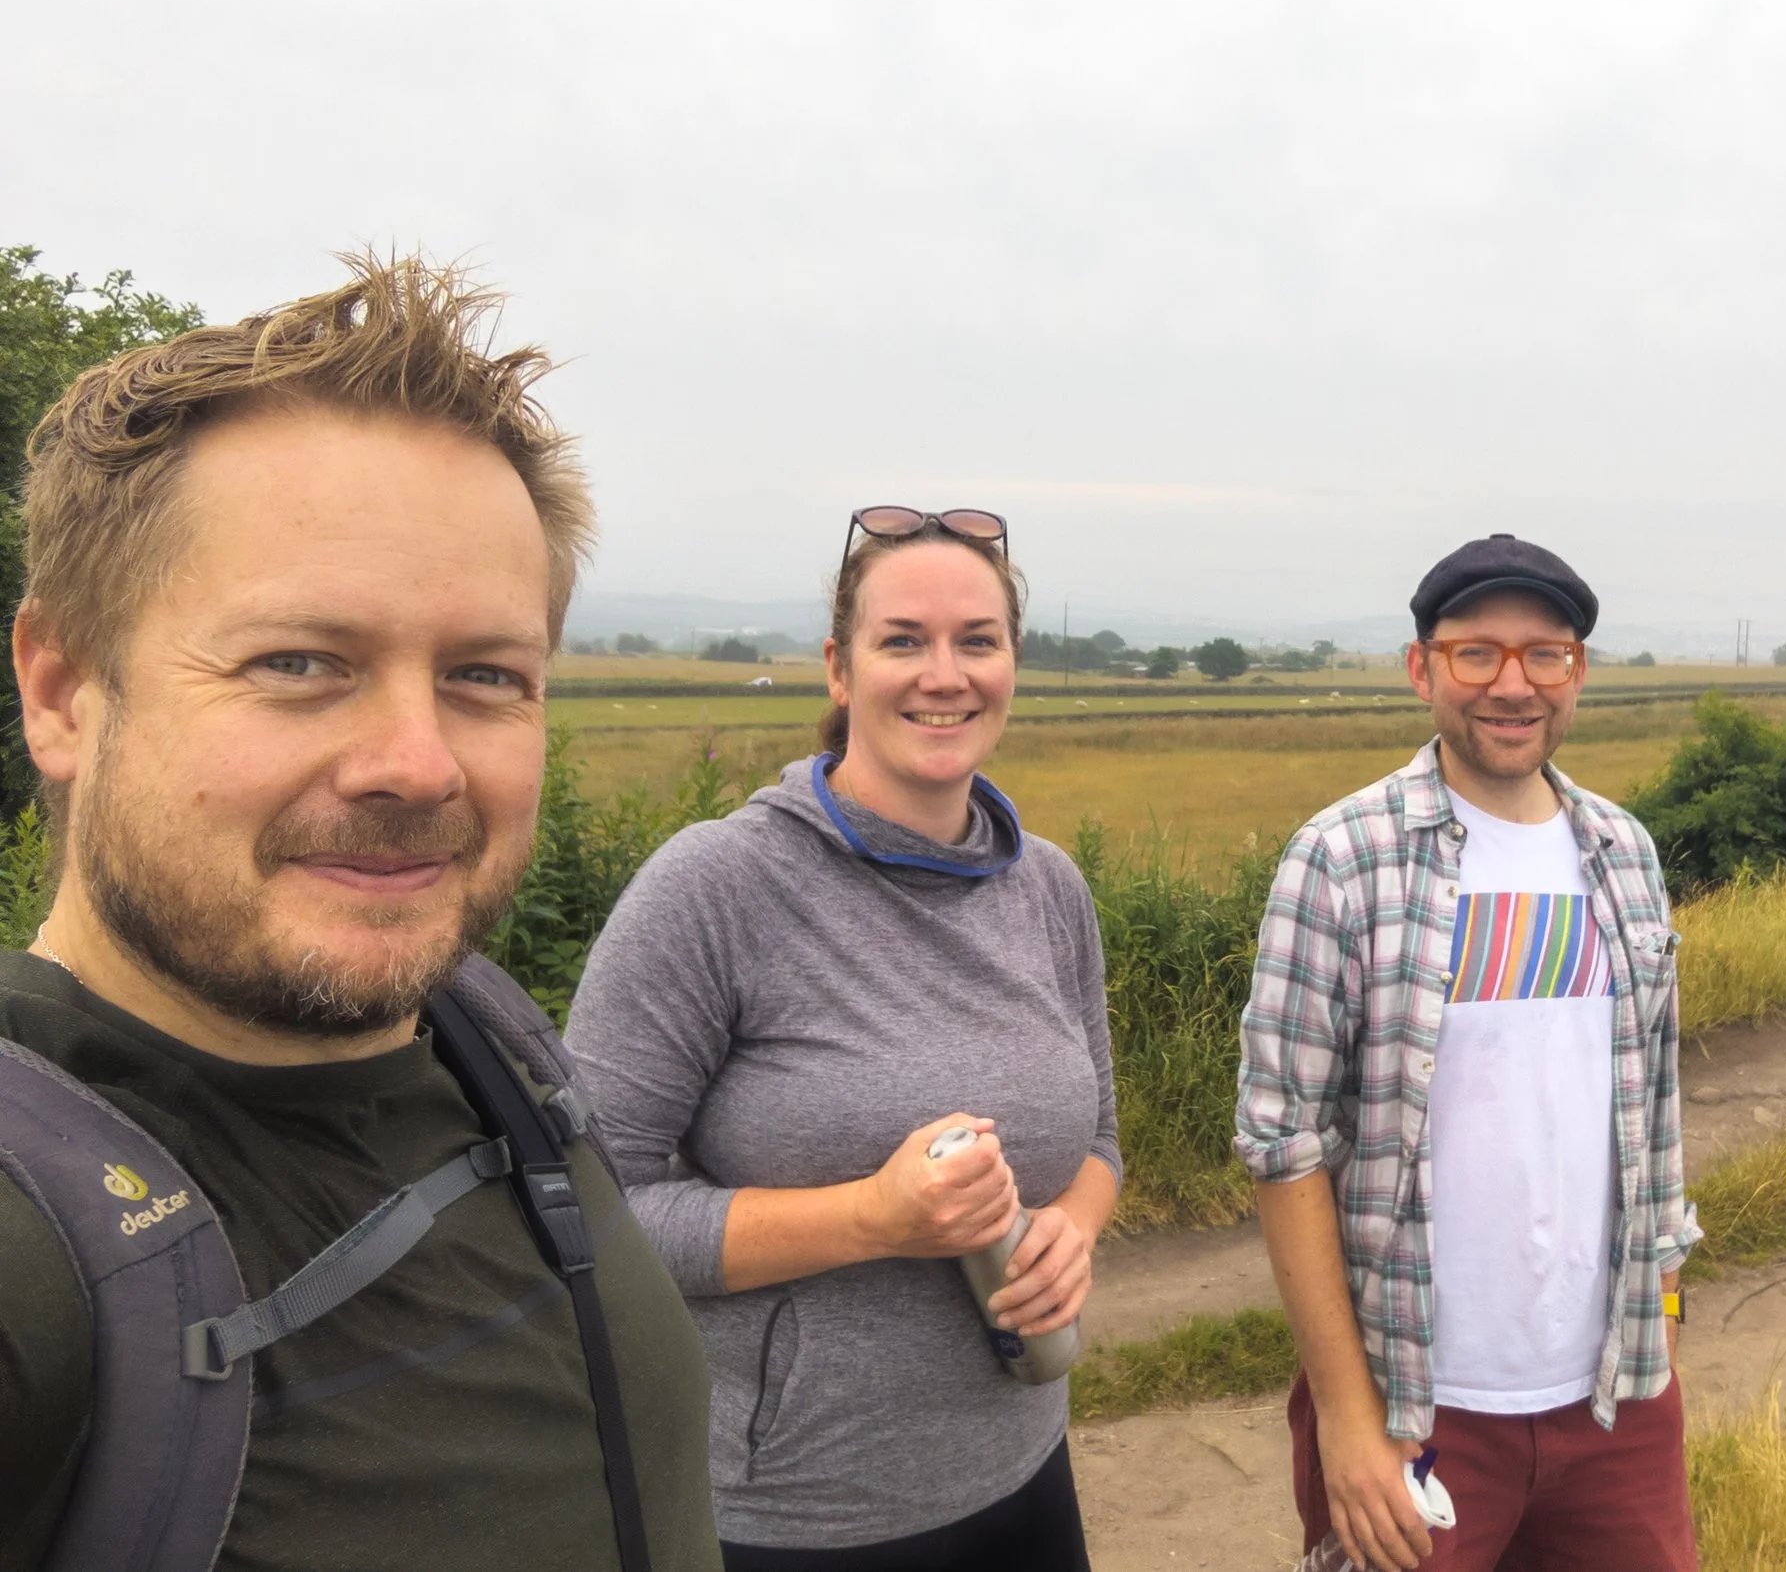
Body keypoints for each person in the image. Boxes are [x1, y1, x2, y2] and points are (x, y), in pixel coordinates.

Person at [0, 255, 720, 1570]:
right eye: (299, 662)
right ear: (61, 690)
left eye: (485, 674)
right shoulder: (34, 1240)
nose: (419, 761)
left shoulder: (491, 1040)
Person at [563, 506, 1121, 1572]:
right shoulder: (717, 887)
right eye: (901, 640)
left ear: (1013, 662)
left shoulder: (1048, 887)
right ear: (839, 666)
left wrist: (1075, 1231)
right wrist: (870, 1217)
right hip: (792, 1513)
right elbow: (595, 1214)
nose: (942, 674)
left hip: (1019, 1468)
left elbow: (1098, 1138)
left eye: (977, 640)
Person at [1237, 533, 1701, 1572]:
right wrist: (1350, 1425)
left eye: (1545, 654)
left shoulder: (1623, 852)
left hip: (1611, 1398)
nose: (1512, 683)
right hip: (1416, 1401)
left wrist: (1661, 1310)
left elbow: (1651, 1109)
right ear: (1422, 668)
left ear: (1576, 673)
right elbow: (1284, 1148)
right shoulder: (1340, 857)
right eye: (1475, 653)